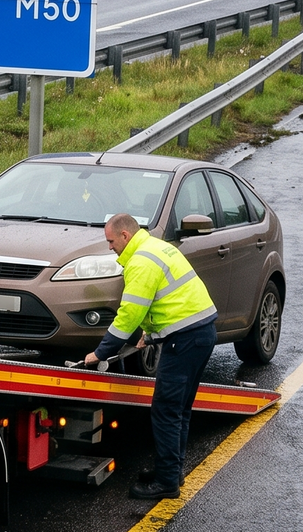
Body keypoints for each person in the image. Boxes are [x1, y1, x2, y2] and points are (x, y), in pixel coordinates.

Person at [83, 213, 217, 500]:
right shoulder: (155, 246)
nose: (109, 247)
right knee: (179, 410)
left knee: (166, 411)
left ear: (125, 236)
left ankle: (167, 482)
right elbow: (165, 300)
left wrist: (99, 353)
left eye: (110, 241)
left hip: (184, 340)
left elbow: (129, 315)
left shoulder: (141, 262)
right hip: (200, 333)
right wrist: (151, 334)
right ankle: (172, 471)